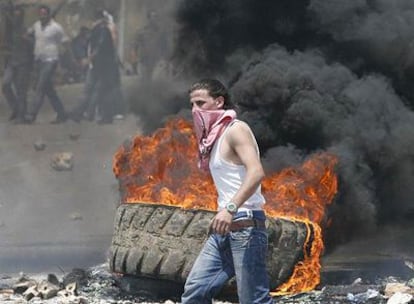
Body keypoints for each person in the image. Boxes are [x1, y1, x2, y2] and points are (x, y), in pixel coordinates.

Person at [181, 79, 273, 304]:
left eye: (201, 103)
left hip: (245, 225)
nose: (195, 110)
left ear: (219, 101)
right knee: (196, 291)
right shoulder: (214, 138)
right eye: (192, 105)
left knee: (253, 299)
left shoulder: (236, 129)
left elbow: (256, 172)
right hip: (223, 229)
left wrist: (230, 208)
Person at [69, 9, 118, 124]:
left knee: (100, 90)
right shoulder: (97, 30)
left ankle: (103, 116)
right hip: (97, 65)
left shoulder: (102, 30)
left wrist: (89, 59)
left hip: (102, 65)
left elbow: (99, 47)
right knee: (91, 89)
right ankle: (81, 113)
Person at [24, 5, 69, 124]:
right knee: (48, 90)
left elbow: (65, 41)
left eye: (45, 14)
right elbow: (28, 34)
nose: (42, 16)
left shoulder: (56, 27)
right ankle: (62, 113)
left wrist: (64, 60)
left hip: (51, 60)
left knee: (40, 86)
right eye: (41, 14)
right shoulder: (36, 25)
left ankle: (31, 114)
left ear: (49, 14)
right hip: (39, 60)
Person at [1, 5, 33, 123]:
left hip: (23, 62)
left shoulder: (26, 29)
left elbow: (33, 44)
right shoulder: (10, 31)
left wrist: (27, 39)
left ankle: (21, 116)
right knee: (5, 85)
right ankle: (16, 108)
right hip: (12, 62)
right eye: (14, 14)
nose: (14, 17)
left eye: (17, 15)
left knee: (21, 90)